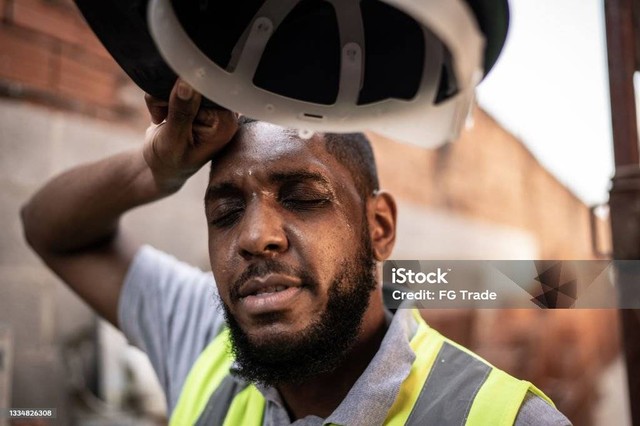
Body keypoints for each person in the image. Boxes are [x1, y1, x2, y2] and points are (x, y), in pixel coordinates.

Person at [21, 79, 571, 425]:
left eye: (303, 198)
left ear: (378, 227)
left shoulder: (504, 417)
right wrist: (156, 169)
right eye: (226, 212)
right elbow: (46, 227)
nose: (255, 237)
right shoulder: (203, 340)